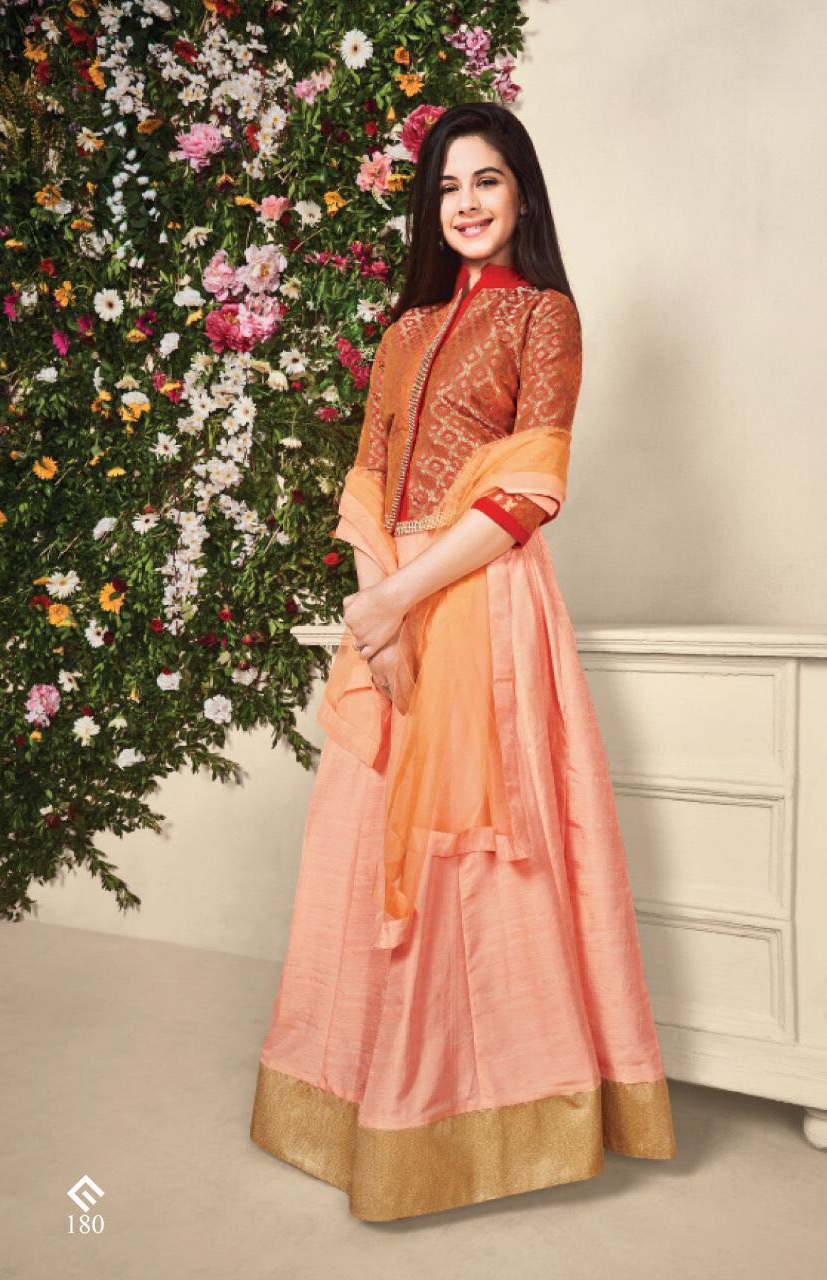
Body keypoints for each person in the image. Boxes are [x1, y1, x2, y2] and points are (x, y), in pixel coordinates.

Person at [250, 101, 676, 1222]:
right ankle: (364, 1098)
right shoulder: (406, 330)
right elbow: (367, 479)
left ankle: (481, 1112)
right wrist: (377, 601)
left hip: (482, 596)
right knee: (369, 835)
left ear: (522, 192)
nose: (468, 203)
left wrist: (398, 600)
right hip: (391, 596)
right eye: (447, 187)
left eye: (487, 180)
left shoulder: (544, 315)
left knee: (482, 849)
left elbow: (530, 489)